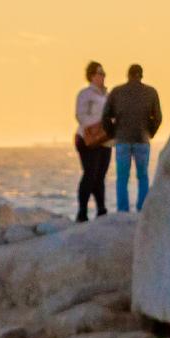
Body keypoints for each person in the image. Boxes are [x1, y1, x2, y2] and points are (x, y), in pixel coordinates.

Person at [102, 62, 163, 214]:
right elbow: (158, 118)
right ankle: (142, 209)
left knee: (122, 177)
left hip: (122, 140)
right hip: (142, 140)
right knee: (142, 176)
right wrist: (150, 132)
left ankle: (123, 210)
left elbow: (105, 117)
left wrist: (113, 134)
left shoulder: (117, 92)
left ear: (128, 75)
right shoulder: (151, 92)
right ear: (141, 75)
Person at [70, 59, 111, 222]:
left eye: (104, 73)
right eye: (100, 73)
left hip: (104, 140)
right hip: (87, 139)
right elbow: (80, 115)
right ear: (92, 76)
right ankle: (82, 211)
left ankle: (101, 209)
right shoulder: (85, 94)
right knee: (90, 173)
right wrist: (95, 126)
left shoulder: (107, 95)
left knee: (100, 175)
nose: (103, 76)